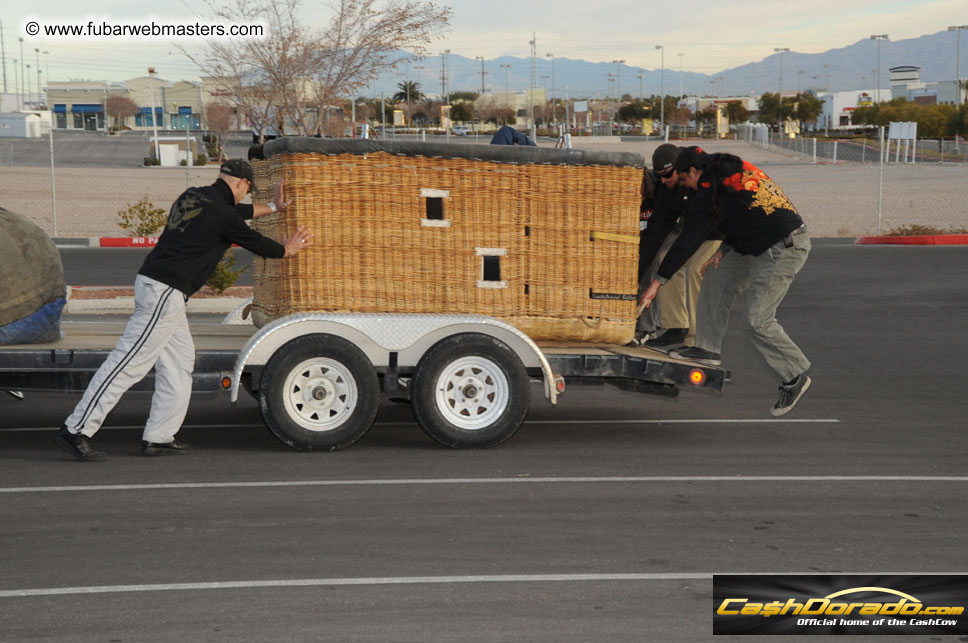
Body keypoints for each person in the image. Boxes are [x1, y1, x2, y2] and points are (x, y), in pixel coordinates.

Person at [54, 159, 314, 461]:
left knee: (179, 362)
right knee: (128, 363)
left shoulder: (194, 195)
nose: (245, 196)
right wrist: (288, 249)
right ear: (242, 183)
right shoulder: (222, 215)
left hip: (161, 289)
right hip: (163, 292)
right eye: (247, 190)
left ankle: (158, 436)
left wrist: (272, 206)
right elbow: (257, 242)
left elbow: (238, 213)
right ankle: (76, 429)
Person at [639, 146, 812, 417]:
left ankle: (794, 376)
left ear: (694, 171)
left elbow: (688, 240)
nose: (685, 186)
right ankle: (706, 349)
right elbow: (745, 213)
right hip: (752, 244)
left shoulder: (710, 186)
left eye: (684, 180)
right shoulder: (723, 171)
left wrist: (656, 283)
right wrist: (723, 248)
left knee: (757, 319)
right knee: (714, 275)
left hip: (784, 246)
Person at [635, 144, 722, 351]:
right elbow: (655, 234)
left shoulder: (705, 182)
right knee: (665, 258)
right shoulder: (668, 190)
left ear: (683, 169)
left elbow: (697, 233)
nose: (663, 181)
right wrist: (636, 276)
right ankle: (677, 326)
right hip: (694, 231)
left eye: (667, 175)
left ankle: (698, 339)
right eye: (659, 177)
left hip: (721, 232)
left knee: (695, 269)